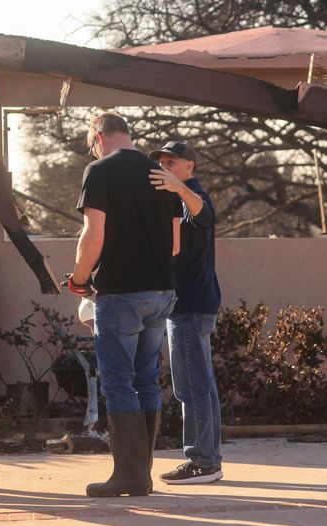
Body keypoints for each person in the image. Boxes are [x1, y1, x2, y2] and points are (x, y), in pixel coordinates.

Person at [67, 112, 182, 497]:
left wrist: (80, 279)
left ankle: (129, 475)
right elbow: (175, 244)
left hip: (121, 292)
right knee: (146, 378)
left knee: (118, 382)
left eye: (91, 144)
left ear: (99, 136)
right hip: (162, 291)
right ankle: (141, 473)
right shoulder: (160, 174)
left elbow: (93, 234)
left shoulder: (99, 171)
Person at [149, 141, 223, 484]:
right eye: (161, 162)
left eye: (171, 161)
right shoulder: (176, 199)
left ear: (189, 166)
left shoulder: (194, 194)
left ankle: (202, 462)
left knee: (191, 387)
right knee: (201, 386)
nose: (164, 166)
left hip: (191, 305)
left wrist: (179, 187)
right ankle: (209, 459)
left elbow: (205, 214)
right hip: (190, 304)